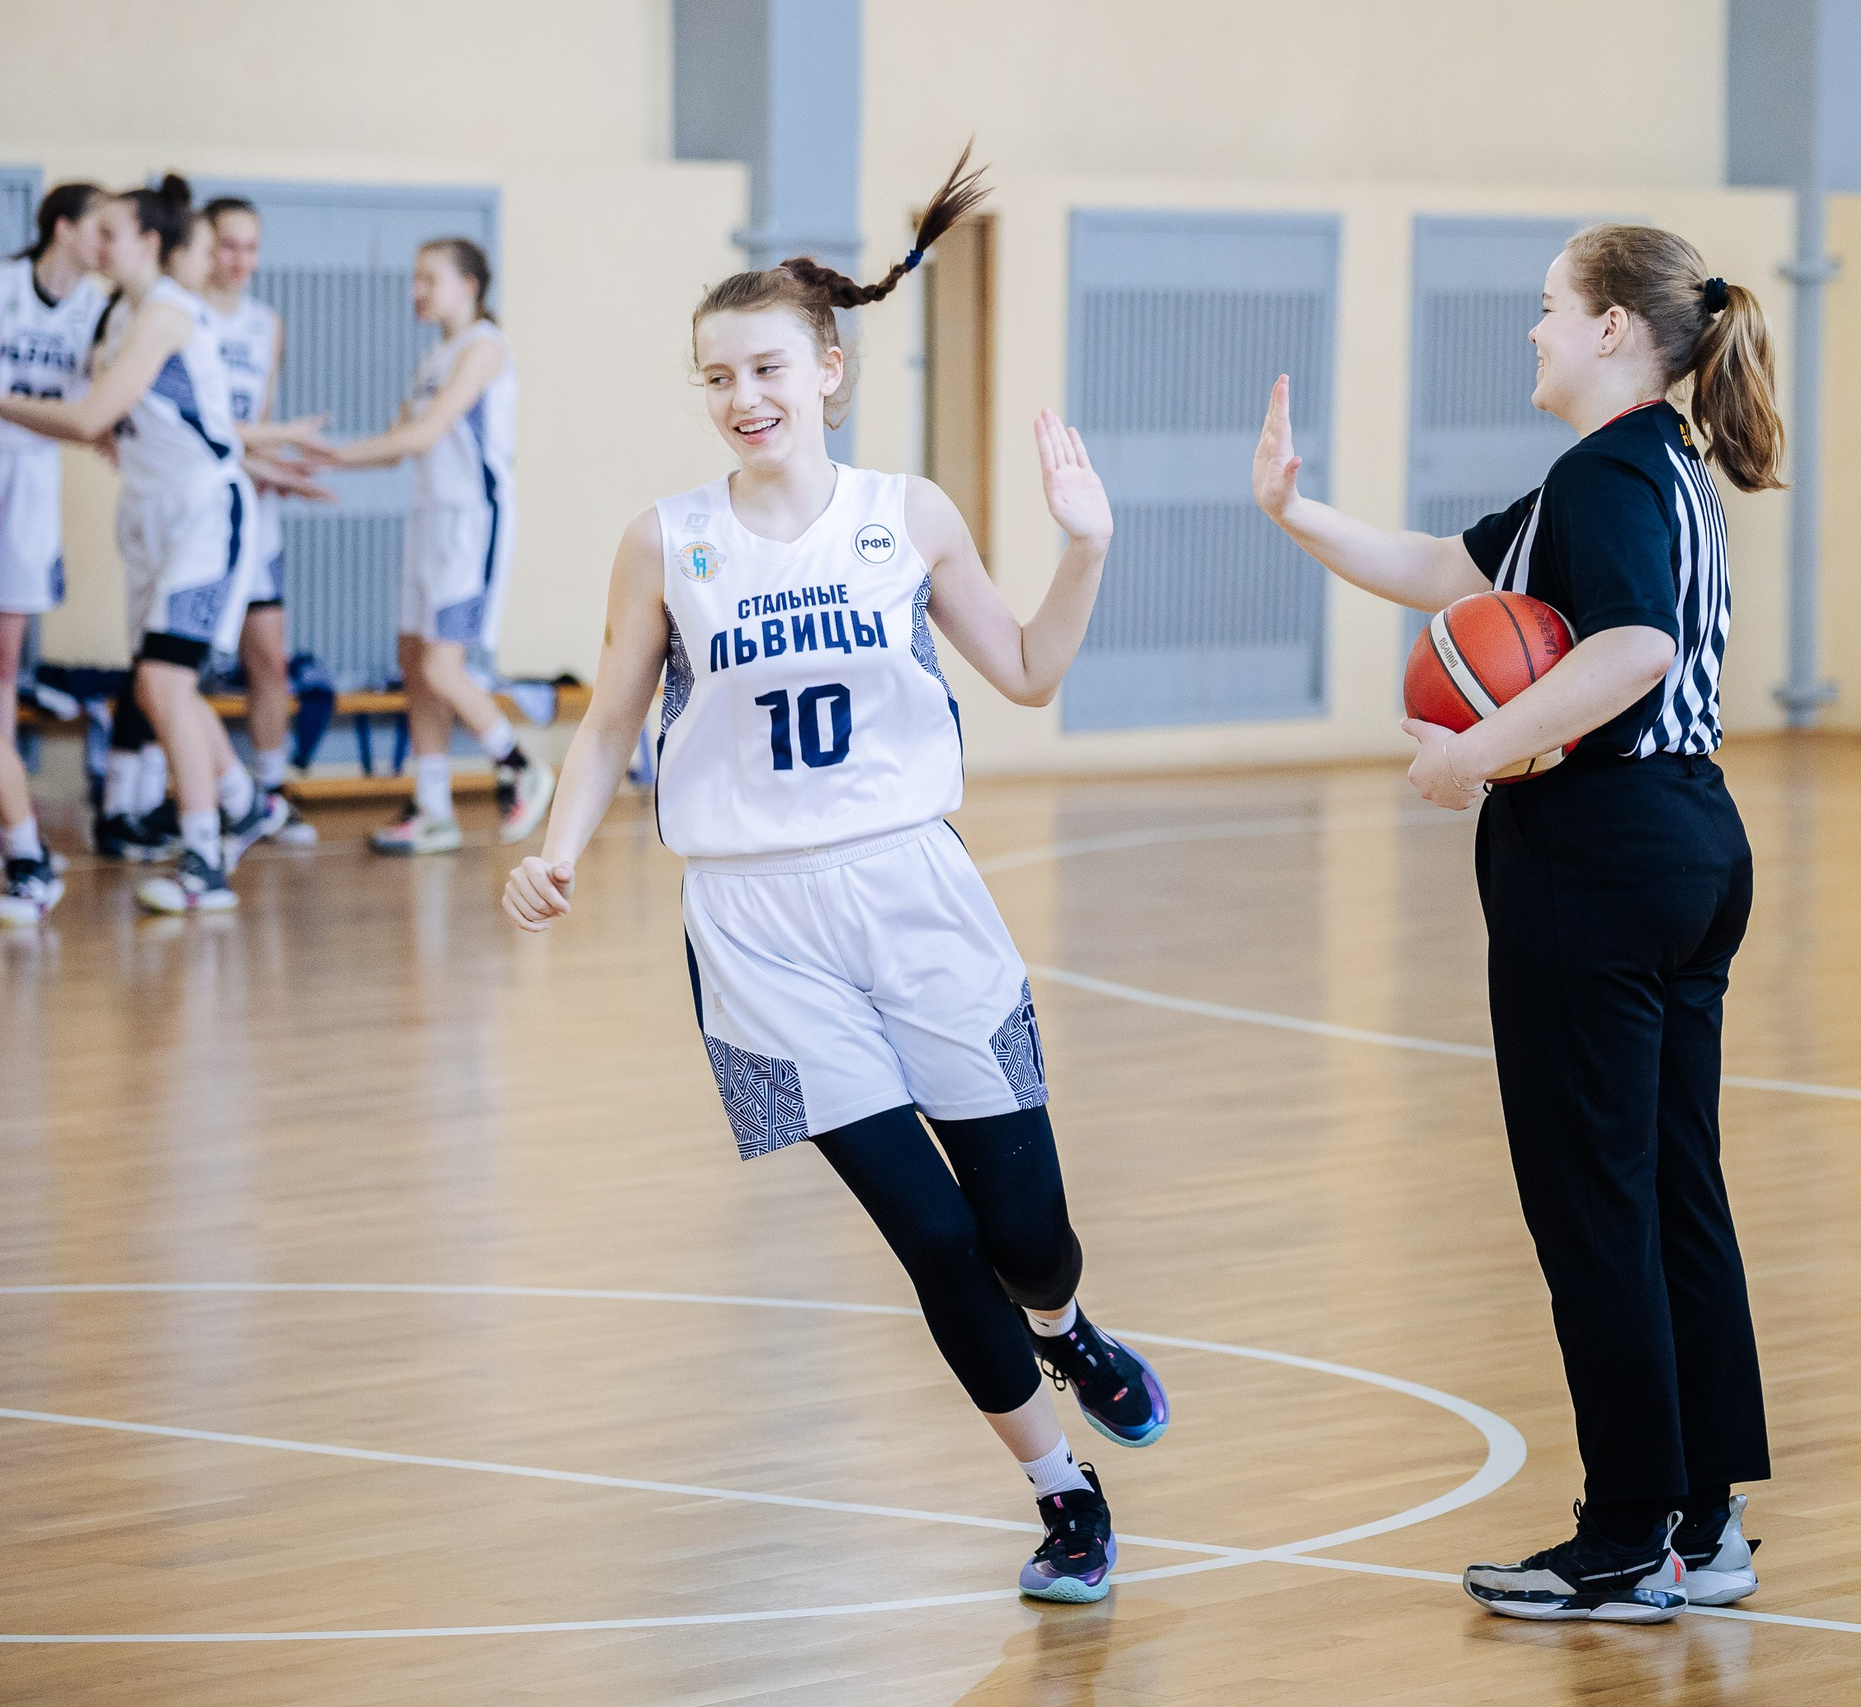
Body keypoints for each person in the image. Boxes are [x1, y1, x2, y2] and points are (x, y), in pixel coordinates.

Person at [500, 153, 1169, 1606]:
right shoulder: (664, 539)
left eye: (765, 366)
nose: (742, 395)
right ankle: (1063, 1488)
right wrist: (557, 847)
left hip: (917, 891)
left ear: (829, 372)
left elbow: (1034, 673)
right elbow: (612, 714)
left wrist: (1091, 545)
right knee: (931, 1239)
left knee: (1024, 1234)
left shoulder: (906, 515)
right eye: (716, 375)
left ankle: (1065, 1318)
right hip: (752, 924)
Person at [1254, 222, 1778, 1624]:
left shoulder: (1607, 472)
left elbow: (1631, 648)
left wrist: (1469, 755)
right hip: (1691, 838)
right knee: (1673, 1190)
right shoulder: (1648, 463)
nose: (1535, 329)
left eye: (1552, 307)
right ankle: (1705, 1517)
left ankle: (1623, 1535)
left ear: (1613, 327)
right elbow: (1449, 571)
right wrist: (1298, 514)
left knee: (1593, 1202)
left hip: (1599, 858)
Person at [0, 176, 321, 915]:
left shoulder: (170, 314)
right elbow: (179, 422)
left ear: (149, 242)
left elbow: (87, 420)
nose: (98, 243)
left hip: (204, 516)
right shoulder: (118, 317)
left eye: (111, 232)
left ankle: (206, 855)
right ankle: (241, 802)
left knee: (164, 684)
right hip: (148, 514)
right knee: (155, 681)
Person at [319, 238, 551, 854]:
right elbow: (398, 440)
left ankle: (518, 762)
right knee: (414, 665)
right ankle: (433, 807)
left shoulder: (483, 349)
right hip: (429, 518)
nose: (417, 291)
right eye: (415, 279)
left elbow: (422, 436)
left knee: (442, 668)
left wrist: (336, 453)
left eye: (430, 279)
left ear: (469, 285)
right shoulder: (435, 355)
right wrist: (310, 465)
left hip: (471, 523)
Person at [0, 182, 111, 926]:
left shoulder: (101, 311)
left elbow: (107, 420)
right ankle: (21, 839)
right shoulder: (6, 284)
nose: (109, 241)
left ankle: (18, 832)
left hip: (30, 495)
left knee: (5, 672)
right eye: (99, 227)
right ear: (63, 228)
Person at [201, 195, 316, 845]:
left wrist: (280, 473)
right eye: (227, 245)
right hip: (199, 511)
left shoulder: (266, 323)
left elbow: (258, 424)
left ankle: (269, 792)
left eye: (250, 246)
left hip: (253, 511)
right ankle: (198, 795)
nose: (240, 259)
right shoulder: (182, 319)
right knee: (183, 668)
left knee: (268, 658)